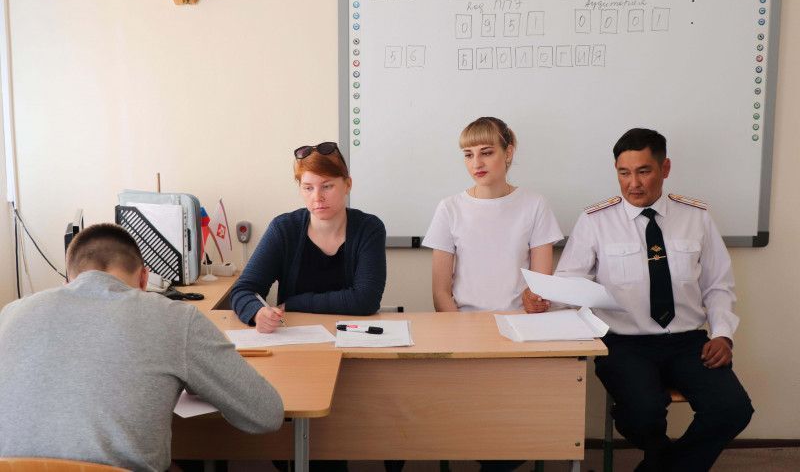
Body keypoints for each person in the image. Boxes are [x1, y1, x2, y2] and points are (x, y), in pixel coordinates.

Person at [0, 223, 284, 472]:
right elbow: (266, 413)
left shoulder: (10, 313)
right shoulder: (174, 317)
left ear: (66, 282)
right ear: (145, 279)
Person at [554, 128, 753, 472]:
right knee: (642, 414)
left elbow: (718, 285)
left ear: (665, 168)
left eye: (644, 171)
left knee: (733, 408)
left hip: (687, 341)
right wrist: (546, 299)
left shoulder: (696, 217)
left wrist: (723, 334)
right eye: (624, 173)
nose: (633, 183)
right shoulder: (595, 221)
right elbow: (569, 283)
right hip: (623, 344)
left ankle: (659, 465)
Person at [422, 117, 563, 472]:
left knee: (514, 420)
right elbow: (440, 291)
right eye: (468, 155)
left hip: (520, 332)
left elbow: (540, 287)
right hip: (466, 330)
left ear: (508, 152)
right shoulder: (450, 208)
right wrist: (463, 337)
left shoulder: (534, 204)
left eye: (486, 152)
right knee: (475, 417)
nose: (477, 163)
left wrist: (531, 308)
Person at [230, 141, 386, 333]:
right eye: (308, 188)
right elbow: (242, 290)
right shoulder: (284, 229)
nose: (317, 197)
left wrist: (294, 303)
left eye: (327, 186)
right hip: (295, 339)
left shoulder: (369, 229)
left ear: (347, 185)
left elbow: (366, 300)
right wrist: (257, 312)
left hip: (352, 337)